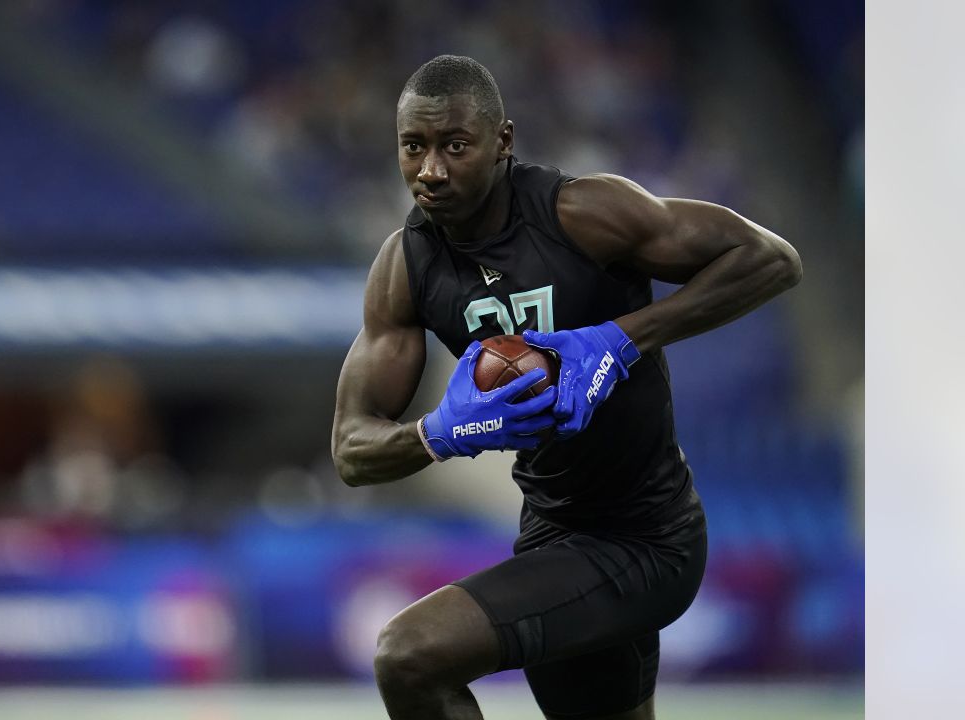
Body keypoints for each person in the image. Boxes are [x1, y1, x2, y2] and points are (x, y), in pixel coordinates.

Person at [330, 55, 801, 720]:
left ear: (503, 143)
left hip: (647, 536)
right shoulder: (406, 268)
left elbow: (772, 259)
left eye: (455, 146)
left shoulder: (581, 213)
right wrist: (437, 433)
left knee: (408, 654)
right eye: (414, 147)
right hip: (552, 534)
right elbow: (351, 447)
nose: (430, 171)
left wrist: (620, 337)